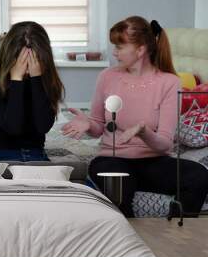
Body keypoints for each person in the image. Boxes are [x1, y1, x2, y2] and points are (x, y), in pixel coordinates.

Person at [62, 16, 208, 217]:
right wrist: (87, 123)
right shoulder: (107, 76)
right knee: (119, 182)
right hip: (112, 158)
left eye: (120, 47)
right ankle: (128, 239)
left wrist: (143, 132)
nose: (115, 52)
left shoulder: (169, 82)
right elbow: (98, 126)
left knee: (199, 176)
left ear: (140, 50)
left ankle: (174, 230)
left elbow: (165, 144)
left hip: (154, 161)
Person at [0, 21, 64, 161]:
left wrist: (36, 79)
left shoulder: (47, 82)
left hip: (36, 154)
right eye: (22, 60)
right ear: (9, 56)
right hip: (0, 153)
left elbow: (43, 126)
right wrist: (16, 80)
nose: (27, 66)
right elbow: (13, 127)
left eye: (33, 59)